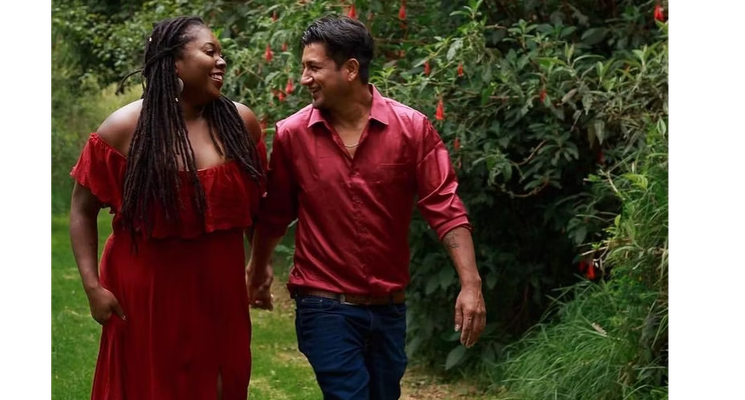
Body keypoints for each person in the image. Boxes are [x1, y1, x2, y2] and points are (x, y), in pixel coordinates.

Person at [246, 15, 487, 400]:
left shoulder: (412, 129)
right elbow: (276, 212)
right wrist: (257, 269)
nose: (304, 78)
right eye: (303, 67)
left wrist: (471, 285)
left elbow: (445, 207)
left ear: (350, 69)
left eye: (314, 67)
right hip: (323, 304)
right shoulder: (292, 134)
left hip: (390, 307)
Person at [69, 15, 268, 400]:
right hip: (149, 288)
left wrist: (260, 265)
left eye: (222, 53)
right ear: (174, 62)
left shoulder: (240, 123)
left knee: (224, 381)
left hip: (220, 287)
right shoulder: (125, 128)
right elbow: (81, 209)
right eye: (210, 51)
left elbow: (255, 204)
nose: (221, 61)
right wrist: (92, 286)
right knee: (151, 383)